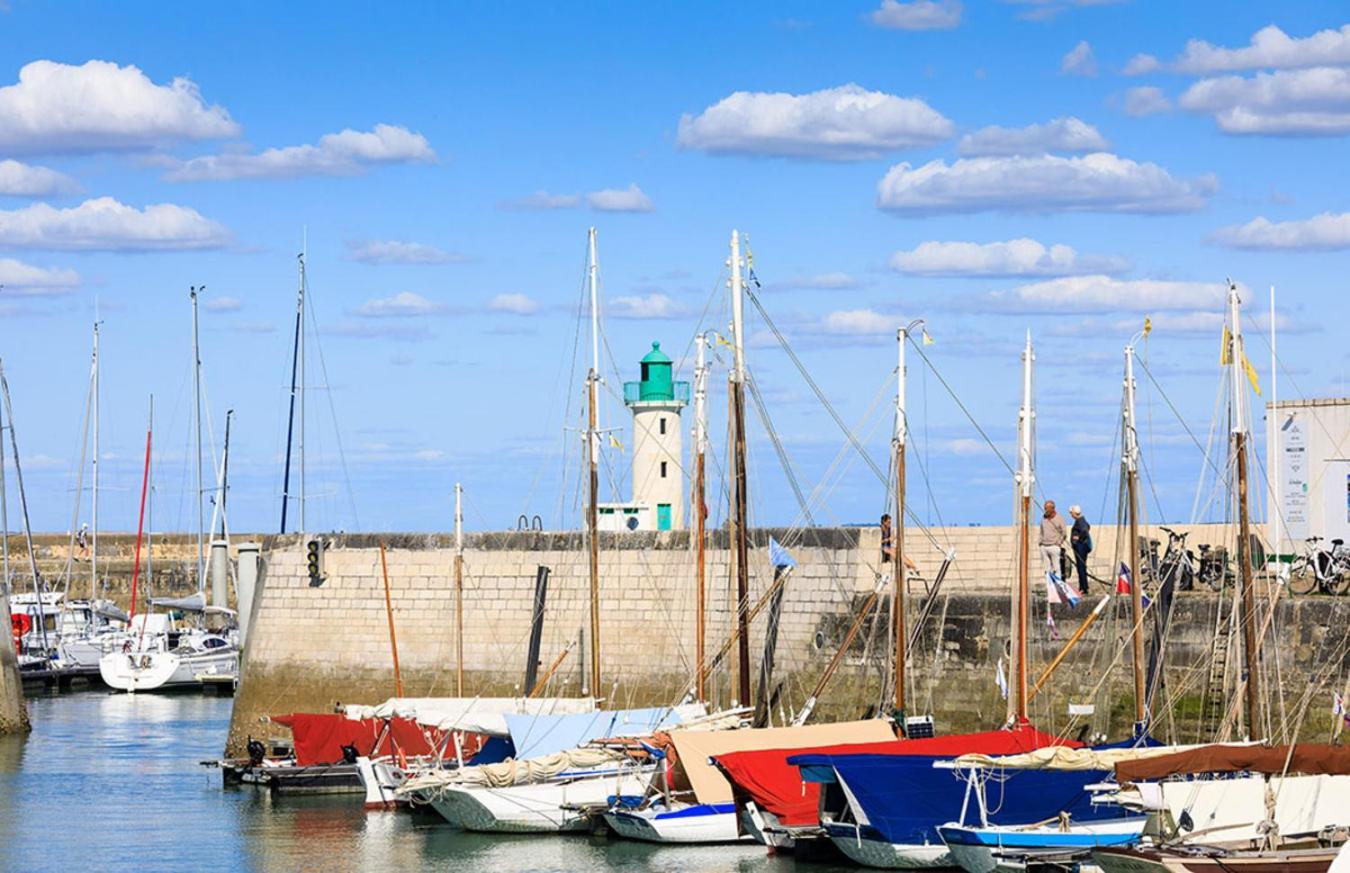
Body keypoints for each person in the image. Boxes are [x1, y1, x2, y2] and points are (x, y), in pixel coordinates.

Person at [1039, 500, 1067, 580]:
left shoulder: (1059, 518)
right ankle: (1050, 586)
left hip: (1054, 546)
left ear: (1052, 508)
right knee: (1047, 569)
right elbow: (1041, 531)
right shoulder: (1043, 518)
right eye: (1045, 508)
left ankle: (1058, 586)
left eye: (1047, 508)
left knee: (1056, 568)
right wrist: (1040, 542)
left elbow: (1064, 532)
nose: (1045, 510)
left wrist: (1058, 542)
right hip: (1044, 546)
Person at [1069, 505, 1092, 595]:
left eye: (1071, 513)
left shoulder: (1080, 521)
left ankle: (1083, 587)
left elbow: (1084, 531)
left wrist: (1078, 539)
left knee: (1081, 567)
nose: (1071, 515)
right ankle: (1083, 586)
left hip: (1080, 547)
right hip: (1080, 547)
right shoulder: (1081, 521)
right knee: (1081, 567)